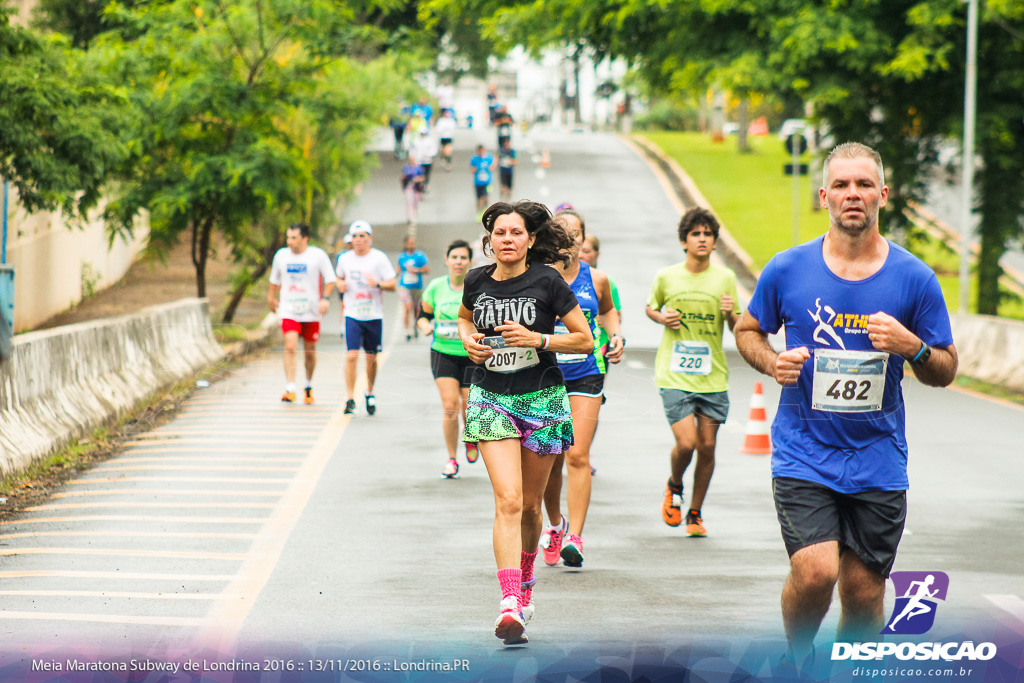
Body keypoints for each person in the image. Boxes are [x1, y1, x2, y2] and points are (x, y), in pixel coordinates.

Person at [734, 142, 958, 661]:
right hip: (803, 452)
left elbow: (945, 370)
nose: (851, 194)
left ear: (883, 193)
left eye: (862, 184)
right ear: (824, 196)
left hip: (878, 458)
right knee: (815, 572)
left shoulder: (914, 277)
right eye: (841, 185)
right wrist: (772, 362)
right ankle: (797, 657)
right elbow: (749, 330)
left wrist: (913, 347)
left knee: (863, 594)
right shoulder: (788, 269)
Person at [458, 200, 593, 645]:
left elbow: (585, 340)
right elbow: (463, 319)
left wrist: (538, 338)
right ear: (489, 239)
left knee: (533, 506)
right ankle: (509, 601)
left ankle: (528, 574)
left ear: (531, 239)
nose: (508, 240)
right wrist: (470, 343)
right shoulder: (476, 280)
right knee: (509, 500)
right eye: (500, 233)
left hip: (542, 398)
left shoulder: (548, 281)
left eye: (516, 233)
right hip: (490, 396)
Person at [646, 207, 741, 537]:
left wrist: (731, 314)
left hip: (712, 375)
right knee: (687, 444)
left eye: (708, 234)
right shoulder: (667, 277)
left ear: (714, 242)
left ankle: (695, 513)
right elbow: (650, 306)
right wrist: (661, 318)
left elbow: (738, 326)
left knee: (708, 446)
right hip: (674, 373)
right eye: (695, 234)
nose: (702, 239)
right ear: (684, 241)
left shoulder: (725, 278)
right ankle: (674, 485)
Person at [539, 209, 623, 569]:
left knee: (577, 455)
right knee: (550, 458)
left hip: (586, 372)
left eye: (576, 232)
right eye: (562, 231)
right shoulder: (538, 276)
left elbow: (608, 311)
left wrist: (615, 334)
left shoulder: (597, 279)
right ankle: (556, 524)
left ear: (583, 239)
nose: (569, 237)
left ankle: (576, 537)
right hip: (545, 374)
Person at [417, 240, 478, 479]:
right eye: (454, 257)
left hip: (472, 355)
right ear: (447, 260)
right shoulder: (435, 287)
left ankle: (471, 438)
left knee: (469, 406)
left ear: (469, 261)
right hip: (443, 352)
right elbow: (423, 316)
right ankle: (452, 459)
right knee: (450, 406)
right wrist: (425, 327)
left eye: (463, 258)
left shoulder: (475, 287)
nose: (458, 262)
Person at [267, 223, 337, 404]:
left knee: (309, 352)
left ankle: (308, 385)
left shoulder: (318, 256)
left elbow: (330, 279)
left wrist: (325, 299)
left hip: (311, 311)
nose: (289, 242)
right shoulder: (281, 256)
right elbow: (274, 279)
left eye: (293, 238)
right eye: (288, 238)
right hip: (289, 308)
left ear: (305, 238)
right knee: (290, 344)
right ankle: (290, 387)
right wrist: (270, 298)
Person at [335, 220, 398, 416]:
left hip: (373, 315)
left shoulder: (379, 258)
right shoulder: (344, 259)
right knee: (351, 356)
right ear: (351, 240)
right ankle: (350, 397)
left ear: (369, 238)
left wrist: (377, 283)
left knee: (371, 357)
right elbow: (339, 277)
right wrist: (340, 285)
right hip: (352, 314)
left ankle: (369, 393)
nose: (358, 240)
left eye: (362, 236)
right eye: (355, 236)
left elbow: (392, 284)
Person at [397, 235, 429, 342]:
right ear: (405, 244)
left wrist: (416, 270)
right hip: (404, 286)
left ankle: (415, 326)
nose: (411, 245)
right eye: (409, 243)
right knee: (406, 307)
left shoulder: (420, 256)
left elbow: (426, 269)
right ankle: (407, 331)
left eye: (413, 243)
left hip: (417, 287)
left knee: (416, 309)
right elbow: (398, 270)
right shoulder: (401, 257)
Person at [337, 233, 353, 338]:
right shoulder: (341, 256)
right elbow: (338, 273)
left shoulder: (358, 254)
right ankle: (343, 328)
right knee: (343, 306)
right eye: (347, 243)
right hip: (344, 285)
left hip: (354, 286)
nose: (349, 245)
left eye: (350, 243)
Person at [400, 157, 425, 225]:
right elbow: (403, 177)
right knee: (409, 202)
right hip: (409, 186)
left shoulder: (419, 168)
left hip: (416, 187)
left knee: (416, 201)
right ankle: (409, 217)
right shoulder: (406, 168)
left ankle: (416, 210)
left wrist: (418, 180)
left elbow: (423, 177)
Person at [470, 145, 494, 212]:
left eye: (482, 150)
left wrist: (491, 167)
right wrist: (474, 169)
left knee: (484, 197)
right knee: (479, 199)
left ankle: (484, 211)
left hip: (487, 182)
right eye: (479, 150)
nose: (481, 152)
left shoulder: (489, 157)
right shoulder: (474, 159)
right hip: (478, 182)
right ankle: (479, 211)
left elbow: (493, 166)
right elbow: (471, 169)